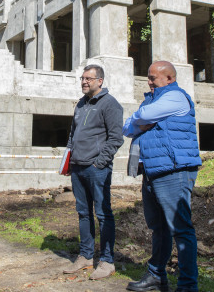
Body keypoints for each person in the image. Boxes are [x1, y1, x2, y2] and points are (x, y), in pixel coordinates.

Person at [123, 61, 200, 292]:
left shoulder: (176, 96)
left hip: (173, 170)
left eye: (153, 78)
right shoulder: (153, 99)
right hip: (152, 169)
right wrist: (140, 122)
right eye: (148, 77)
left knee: (180, 228)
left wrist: (140, 119)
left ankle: (187, 285)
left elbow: (143, 114)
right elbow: (127, 127)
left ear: (169, 78)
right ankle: (156, 276)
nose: (148, 81)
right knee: (159, 227)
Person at [62, 64, 123, 281]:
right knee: (83, 213)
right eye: (82, 78)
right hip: (78, 167)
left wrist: (99, 163)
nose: (84, 82)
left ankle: (107, 261)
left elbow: (116, 138)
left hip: (97, 169)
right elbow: (73, 134)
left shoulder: (110, 104)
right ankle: (86, 256)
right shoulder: (81, 103)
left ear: (100, 81)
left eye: (88, 78)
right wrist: (69, 160)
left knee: (103, 214)